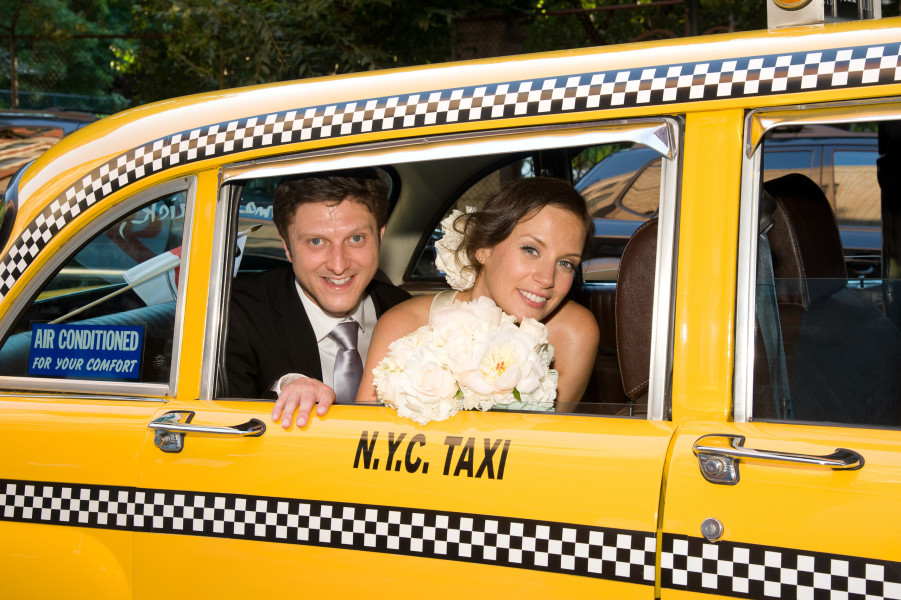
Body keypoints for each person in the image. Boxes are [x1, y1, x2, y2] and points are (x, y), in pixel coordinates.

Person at [356, 177, 600, 409]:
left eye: (566, 263)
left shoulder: (573, 333)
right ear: (484, 248)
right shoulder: (404, 325)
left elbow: (549, 443)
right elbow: (360, 439)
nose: (547, 279)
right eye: (531, 250)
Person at [226, 169, 410, 428]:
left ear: (379, 237)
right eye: (316, 242)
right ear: (287, 247)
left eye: (356, 238)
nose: (338, 265)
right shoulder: (235, 318)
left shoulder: (407, 314)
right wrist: (285, 386)